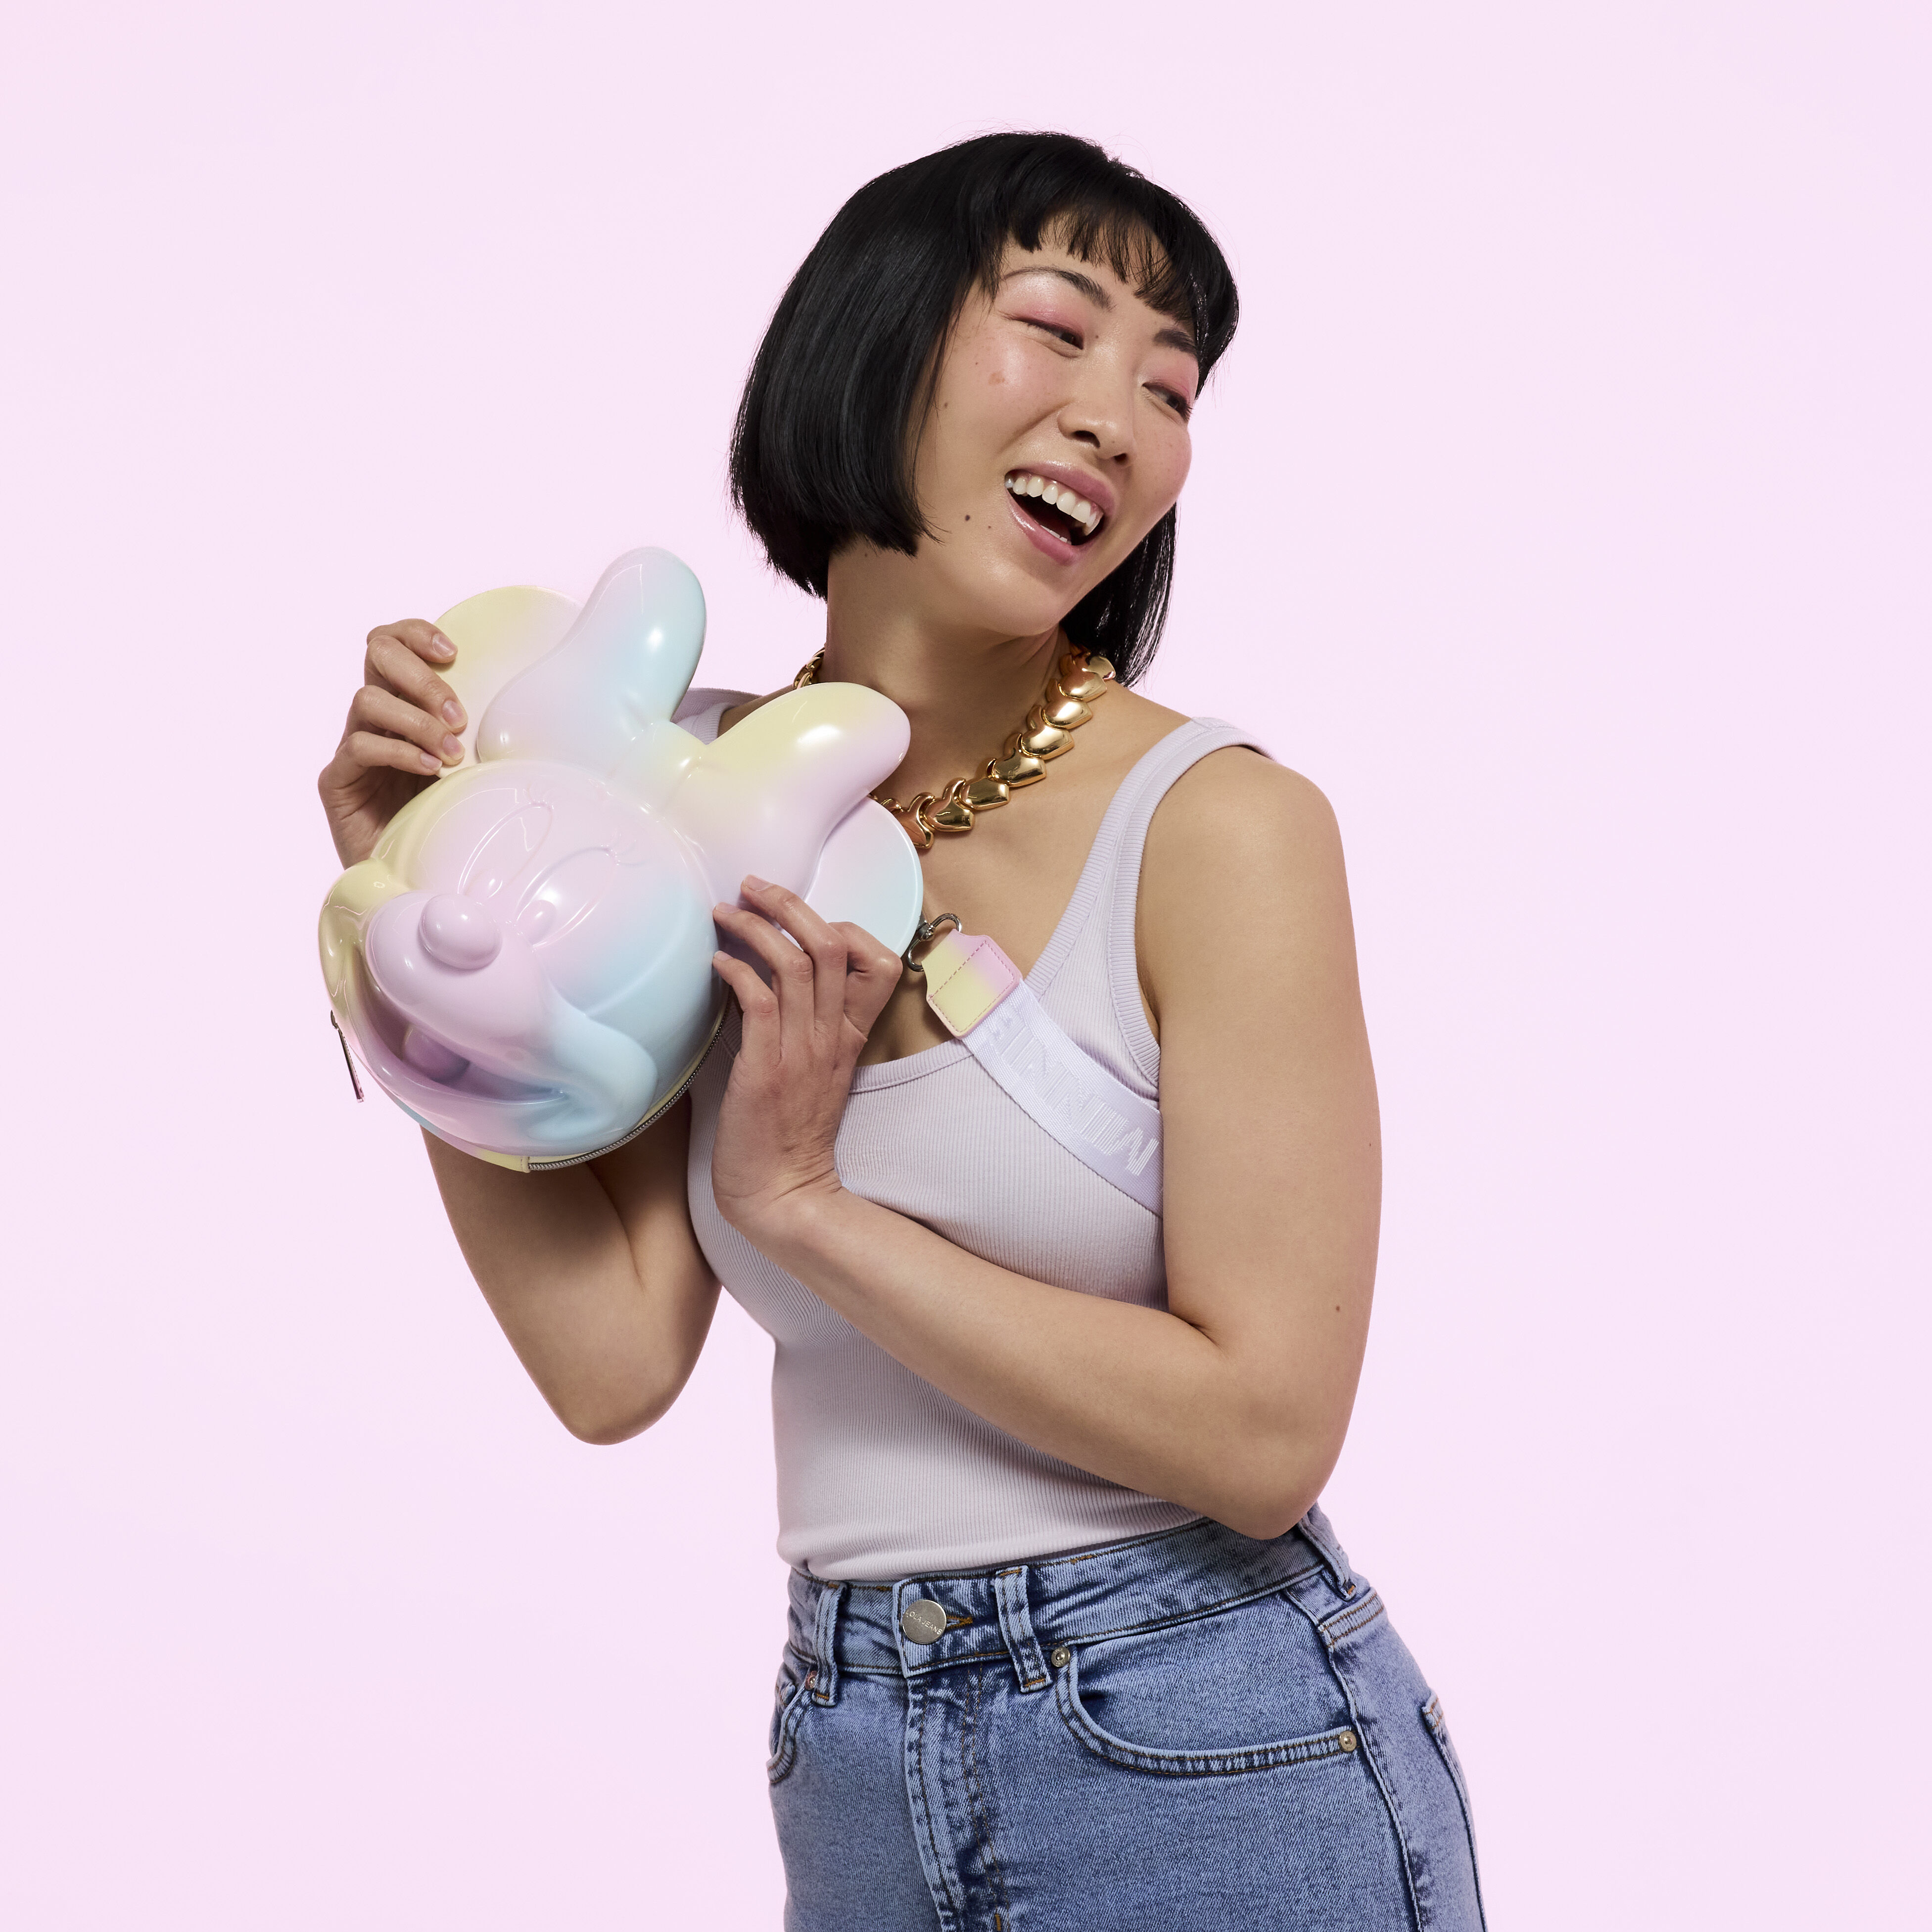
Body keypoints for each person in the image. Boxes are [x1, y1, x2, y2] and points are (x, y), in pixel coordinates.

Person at [317, 131, 1485, 1931]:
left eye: (1169, 388)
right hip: (851, 1742)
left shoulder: (1217, 826)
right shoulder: (679, 801)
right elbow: (608, 1363)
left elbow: (1265, 1434)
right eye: (1057, 328)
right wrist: (408, 920)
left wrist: (806, 1207)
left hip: (1204, 1739)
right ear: (873, 340)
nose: (1117, 418)